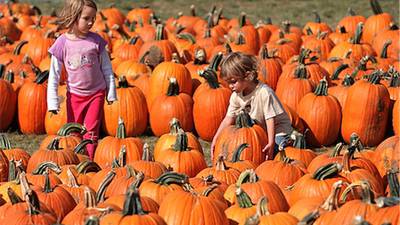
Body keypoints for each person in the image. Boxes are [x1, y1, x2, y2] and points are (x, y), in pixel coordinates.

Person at [47, 0, 116, 160]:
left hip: (96, 94)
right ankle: (76, 159)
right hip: (74, 96)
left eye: (93, 18)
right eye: (87, 18)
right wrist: (52, 102)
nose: (91, 22)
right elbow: (54, 75)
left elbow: (107, 68)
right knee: (73, 133)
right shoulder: (62, 43)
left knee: (91, 131)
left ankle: (89, 162)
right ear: (74, 17)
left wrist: (110, 92)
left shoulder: (96, 41)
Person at [210, 52, 293, 160]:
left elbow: (270, 119)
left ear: (248, 76)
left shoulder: (264, 93)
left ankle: (290, 140)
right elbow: (228, 118)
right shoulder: (236, 96)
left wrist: (271, 142)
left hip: (278, 131)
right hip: (261, 130)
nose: (230, 86)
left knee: (277, 151)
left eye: (233, 82)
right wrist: (216, 138)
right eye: (228, 82)